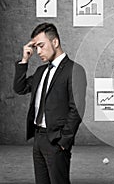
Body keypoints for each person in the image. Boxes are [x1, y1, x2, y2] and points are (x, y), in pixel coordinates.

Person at [13, 23, 87, 184]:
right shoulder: (41, 71)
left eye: (41, 45)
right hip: (38, 139)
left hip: (56, 141)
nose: (38, 51)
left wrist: (63, 142)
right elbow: (20, 88)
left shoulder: (75, 70)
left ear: (55, 42)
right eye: (35, 47)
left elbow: (77, 109)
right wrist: (25, 59)